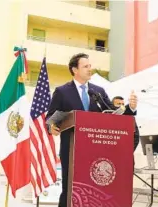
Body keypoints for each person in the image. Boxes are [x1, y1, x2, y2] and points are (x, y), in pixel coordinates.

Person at [46, 53, 138, 207]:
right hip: (72, 150)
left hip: (96, 151)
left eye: (90, 66)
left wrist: (130, 108)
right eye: (86, 66)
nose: (90, 69)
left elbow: (112, 113)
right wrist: (50, 127)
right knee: (70, 191)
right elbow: (50, 117)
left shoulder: (98, 91)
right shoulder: (62, 91)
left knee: (92, 191)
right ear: (75, 70)